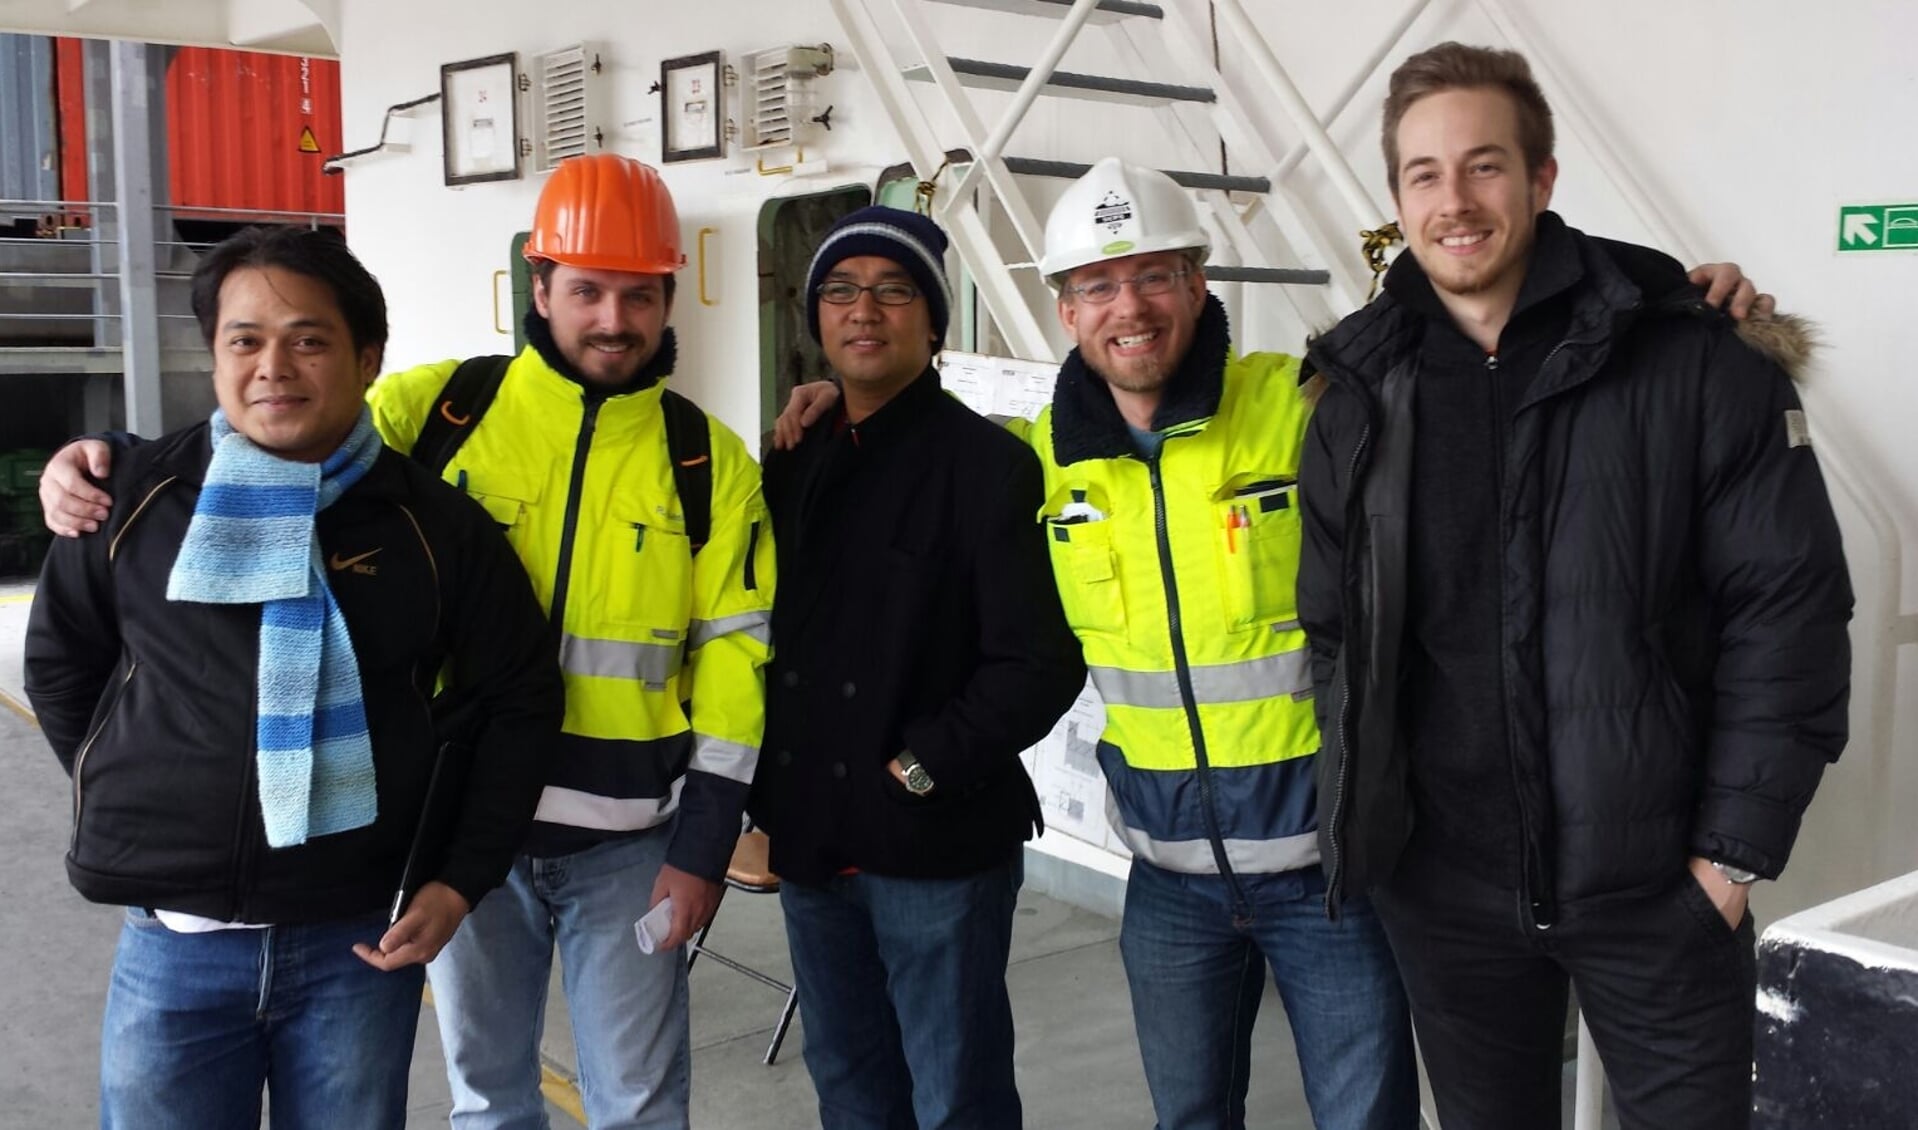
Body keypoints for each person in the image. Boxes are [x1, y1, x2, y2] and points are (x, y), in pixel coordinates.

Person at [774, 162, 1771, 1130]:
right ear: (1067, 310)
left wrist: (1653, 305)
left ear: (1198, 284)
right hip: (1166, 882)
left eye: (1155, 274)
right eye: (1098, 285)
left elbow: (1478, 367)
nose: (1131, 305)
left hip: (1323, 875)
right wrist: (830, 405)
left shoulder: (1303, 405)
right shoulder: (1035, 460)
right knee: (1191, 1114)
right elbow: (916, 444)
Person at [35, 153, 777, 1130]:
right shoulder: (440, 408)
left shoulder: (706, 461)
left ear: (669, 296)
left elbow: (736, 656)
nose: (612, 318)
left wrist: (705, 838)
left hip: (624, 847)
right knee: (488, 1097)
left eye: (639, 295)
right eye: (587, 288)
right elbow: (274, 431)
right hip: (455, 831)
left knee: (638, 1102)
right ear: (539, 285)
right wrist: (110, 463)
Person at [1296, 43, 1852, 1130]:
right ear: (1396, 195)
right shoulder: (1357, 389)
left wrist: (1729, 857)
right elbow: (1334, 631)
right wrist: (1378, 832)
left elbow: (1785, 609)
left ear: (1542, 179)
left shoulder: (1692, 357)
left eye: (1484, 165)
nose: (1453, 201)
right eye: (1422, 173)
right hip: (1444, 894)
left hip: (1659, 891)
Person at [23, 224, 562, 1130]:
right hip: (174, 945)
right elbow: (62, 662)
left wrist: (461, 878)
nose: (274, 365)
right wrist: (139, 772)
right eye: (246, 340)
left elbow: (519, 699)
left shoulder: (435, 527)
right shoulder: (131, 499)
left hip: (353, 941)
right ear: (216, 354)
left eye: (308, 339)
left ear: (367, 358)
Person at [751, 205, 1085, 1129]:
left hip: (933, 848)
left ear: (933, 322)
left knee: (957, 1095)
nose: (867, 310)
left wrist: (923, 764)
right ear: (817, 317)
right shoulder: (793, 455)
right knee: (850, 1084)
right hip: (815, 841)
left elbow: (1039, 663)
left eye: (895, 291)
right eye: (843, 291)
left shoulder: (987, 466)